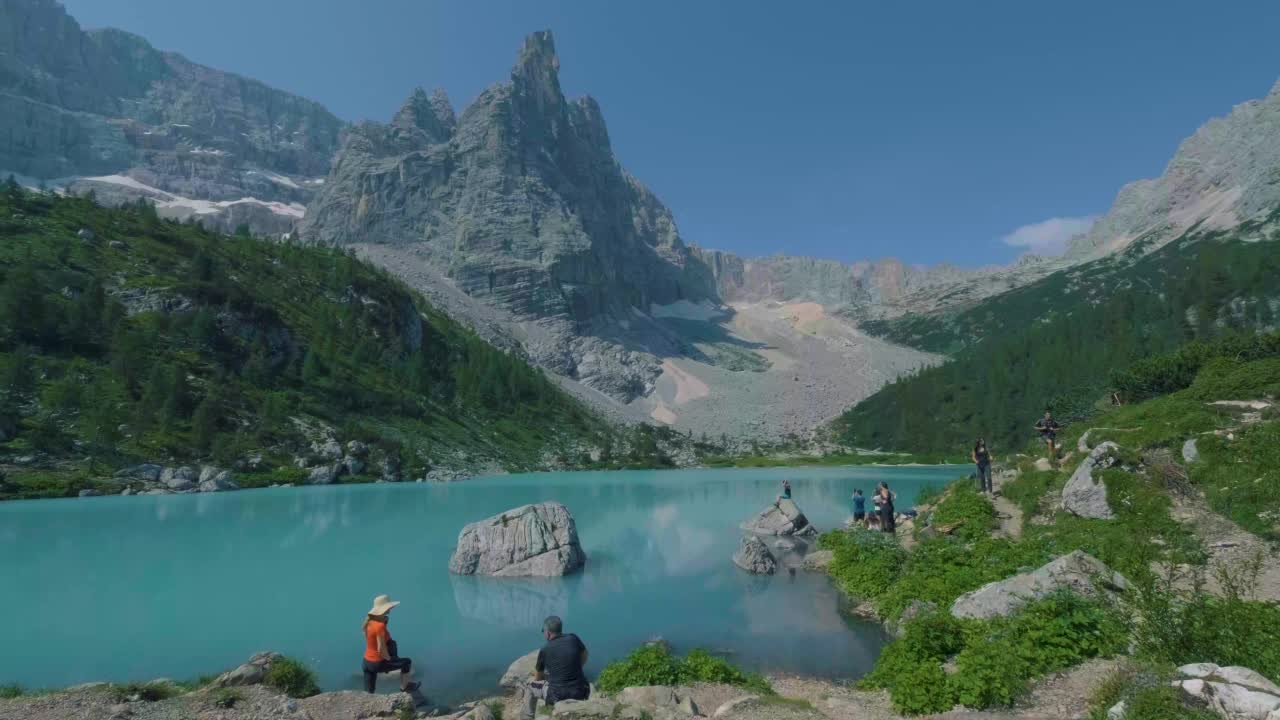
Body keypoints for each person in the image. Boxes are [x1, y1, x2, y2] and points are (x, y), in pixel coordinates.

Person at [521, 616, 590, 720]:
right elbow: (585, 655)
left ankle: (527, 717)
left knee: (530, 685)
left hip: (557, 695)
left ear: (548, 633)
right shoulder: (573, 638)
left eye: (543, 631)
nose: (543, 633)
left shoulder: (545, 650)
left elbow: (538, 679)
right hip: (581, 692)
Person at [362, 594, 420, 695]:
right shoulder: (379, 626)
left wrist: (384, 623)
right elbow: (381, 649)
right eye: (390, 607)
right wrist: (390, 660)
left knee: (369, 693)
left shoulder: (369, 622)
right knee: (407, 662)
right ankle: (404, 687)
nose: (391, 609)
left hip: (366, 662)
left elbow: (371, 639)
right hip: (377, 663)